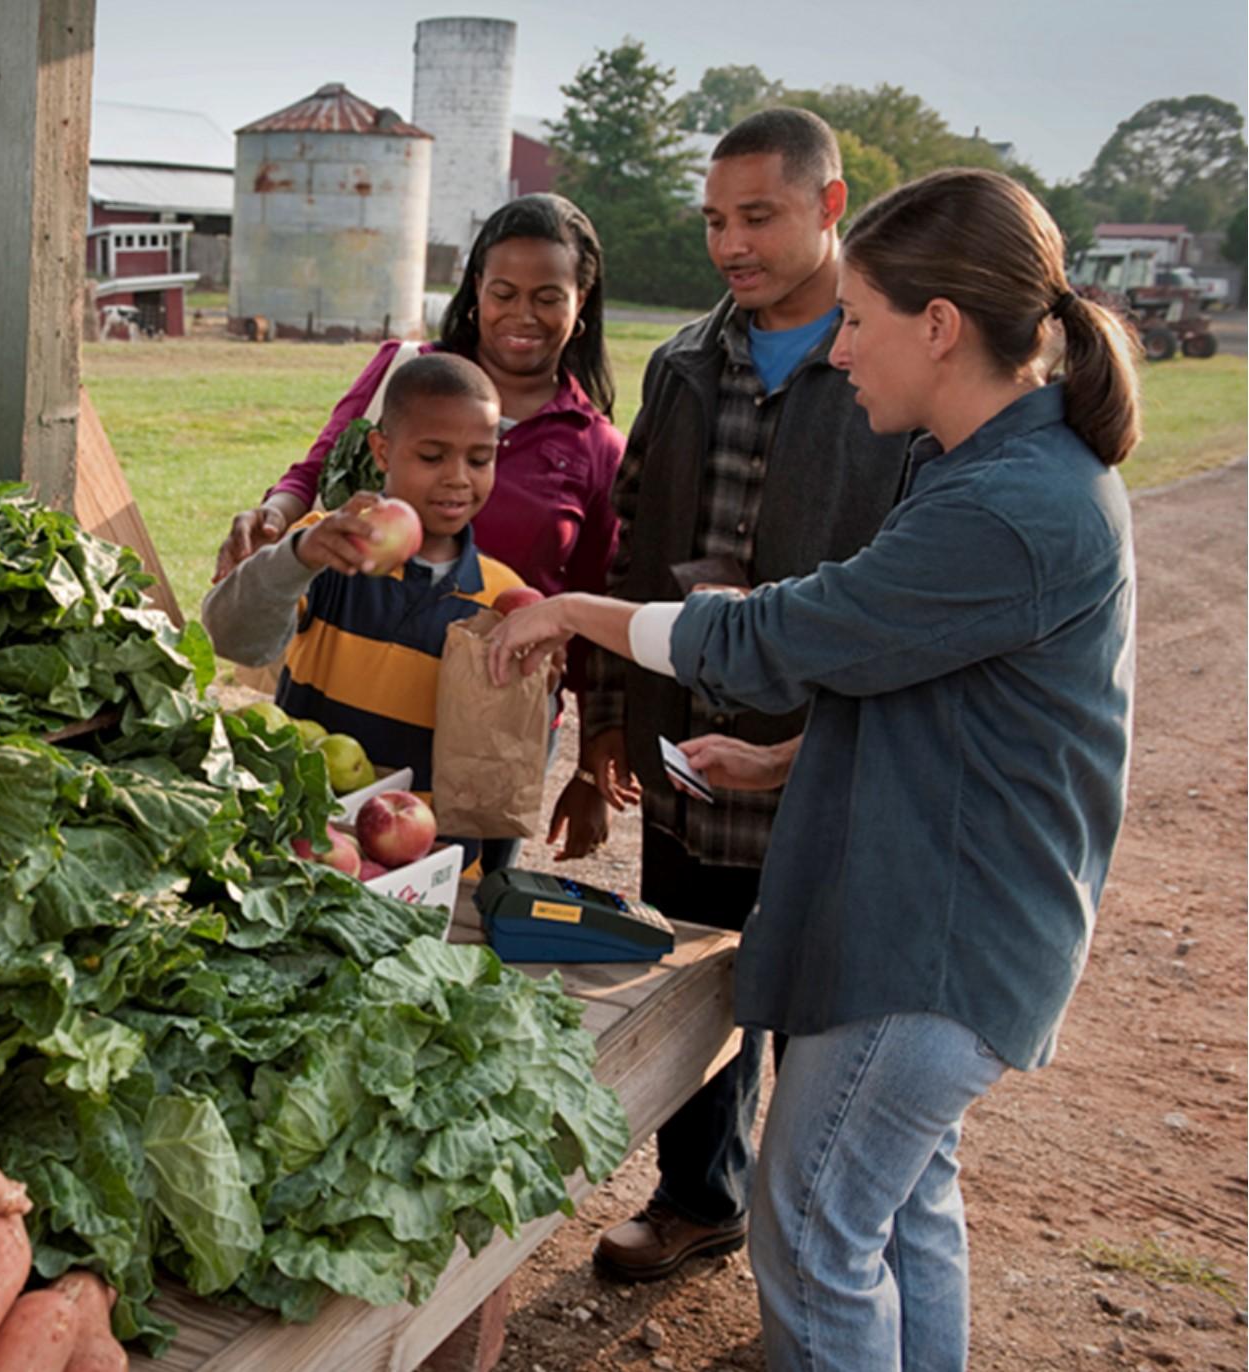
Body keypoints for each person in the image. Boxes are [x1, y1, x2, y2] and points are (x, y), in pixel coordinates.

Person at [488, 167, 1139, 1372]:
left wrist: (577, 609)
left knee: (811, 1232)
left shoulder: (1005, 505)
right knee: (901, 1216)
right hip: (954, 922)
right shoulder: (993, 470)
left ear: (938, 327)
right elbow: (938, 683)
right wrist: (795, 755)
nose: (840, 352)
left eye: (858, 319)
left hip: (928, 946)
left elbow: (777, 634)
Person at [577, 108, 914, 1284]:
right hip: (689, 733)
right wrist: (617, 709)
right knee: (699, 978)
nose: (731, 243)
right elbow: (628, 552)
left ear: (829, 209)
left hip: (832, 745)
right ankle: (695, 1196)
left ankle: (814, 1236)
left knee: (824, 997)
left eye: (758, 216)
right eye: (716, 219)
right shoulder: (679, 364)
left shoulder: (890, 368)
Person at [215, 193, 625, 861]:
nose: (522, 313)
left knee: (457, 897)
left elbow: (593, 610)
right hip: (353, 656)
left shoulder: (596, 446)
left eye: (547, 296)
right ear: (474, 292)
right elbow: (316, 467)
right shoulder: (406, 374)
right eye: (503, 291)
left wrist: (591, 765)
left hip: (485, 725)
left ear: (580, 305)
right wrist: (280, 525)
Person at [201, 353, 528, 868]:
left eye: (479, 459)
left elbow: (502, 756)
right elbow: (232, 637)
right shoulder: (326, 548)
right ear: (381, 450)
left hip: (431, 861)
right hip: (308, 845)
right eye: (432, 456)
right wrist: (298, 555)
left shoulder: (502, 598)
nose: (458, 478)